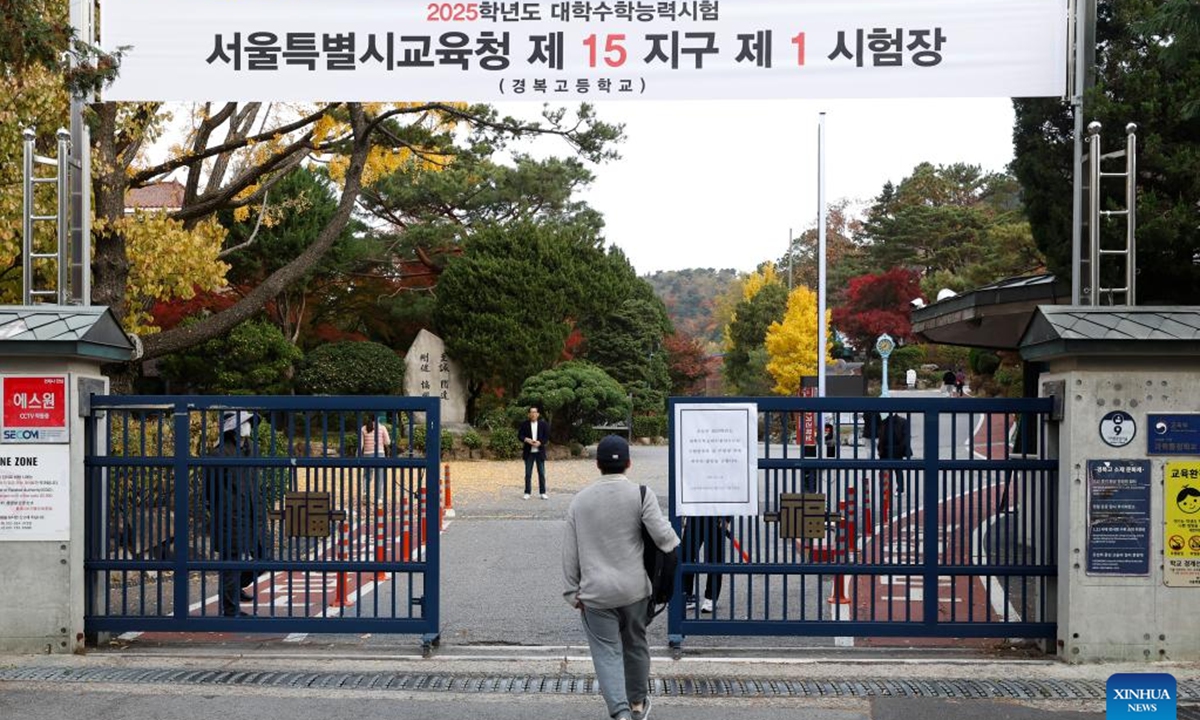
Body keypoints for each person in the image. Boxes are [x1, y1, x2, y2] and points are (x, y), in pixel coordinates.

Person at [563, 435, 679, 720]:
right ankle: (638, 704)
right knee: (636, 645)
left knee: (606, 653)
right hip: (634, 590)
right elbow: (665, 539)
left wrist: (571, 592)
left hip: (596, 594)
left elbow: (570, 552)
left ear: (597, 465)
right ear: (628, 463)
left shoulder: (579, 502)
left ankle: (620, 712)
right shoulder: (641, 494)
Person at [208, 411, 266, 617]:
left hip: (253, 513)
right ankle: (230, 610)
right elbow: (210, 490)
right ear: (231, 428)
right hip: (229, 515)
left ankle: (234, 587)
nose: (247, 426)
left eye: (249, 422)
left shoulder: (252, 450)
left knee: (262, 558)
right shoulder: (218, 454)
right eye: (243, 423)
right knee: (230, 562)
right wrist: (222, 507)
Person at [681, 516, 729, 614]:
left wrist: (727, 518)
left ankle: (711, 597)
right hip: (695, 513)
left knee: (714, 557)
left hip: (716, 513)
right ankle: (686, 594)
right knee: (686, 554)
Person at [518, 406, 550, 499]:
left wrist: (540, 442)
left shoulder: (543, 424)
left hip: (539, 452)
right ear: (529, 414)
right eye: (531, 412)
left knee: (541, 473)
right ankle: (527, 492)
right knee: (528, 473)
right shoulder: (525, 424)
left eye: (535, 412)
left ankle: (542, 492)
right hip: (529, 452)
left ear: (538, 414)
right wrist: (526, 440)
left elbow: (546, 436)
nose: (533, 414)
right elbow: (520, 435)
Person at [877, 412, 913, 494]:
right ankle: (887, 488)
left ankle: (899, 488)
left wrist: (901, 448)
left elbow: (906, 436)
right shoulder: (884, 421)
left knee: (897, 470)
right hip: (886, 449)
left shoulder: (901, 421)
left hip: (896, 448)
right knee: (887, 470)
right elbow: (881, 435)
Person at [359, 415, 391, 506]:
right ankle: (379, 498)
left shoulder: (363, 428)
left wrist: (358, 455)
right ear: (377, 418)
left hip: (367, 454)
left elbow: (361, 444)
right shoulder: (382, 428)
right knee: (379, 476)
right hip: (379, 454)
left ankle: (365, 493)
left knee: (367, 476)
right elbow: (387, 442)